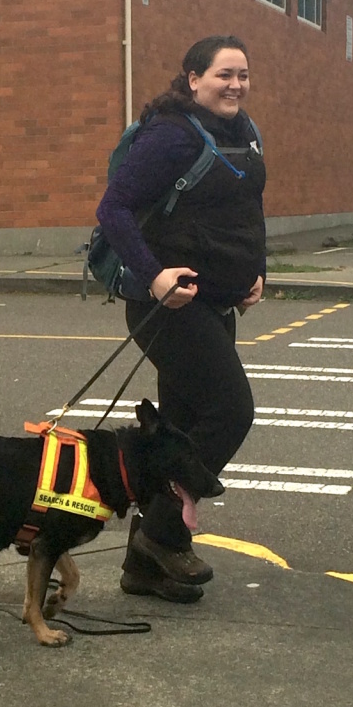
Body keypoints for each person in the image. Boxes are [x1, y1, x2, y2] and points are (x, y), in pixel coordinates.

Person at [95, 34, 266, 604]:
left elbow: (243, 212)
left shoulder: (244, 132)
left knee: (183, 424)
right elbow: (113, 208)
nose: (235, 85)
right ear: (193, 78)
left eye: (242, 74)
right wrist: (153, 276)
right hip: (167, 307)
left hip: (216, 304)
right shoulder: (170, 134)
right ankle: (161, 536)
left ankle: (142, 569)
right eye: (223, 74)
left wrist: (252, 274)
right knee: (231, 410)